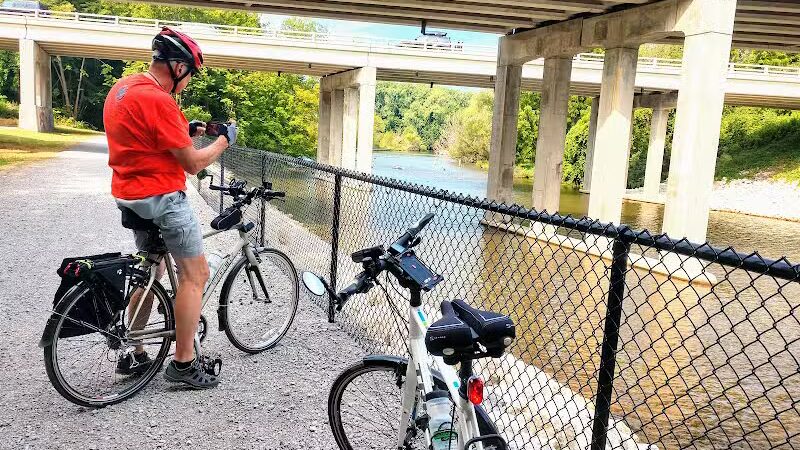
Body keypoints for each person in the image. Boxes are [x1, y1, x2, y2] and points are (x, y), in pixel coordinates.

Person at [103, 27, 236, 389]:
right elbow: (192, 165)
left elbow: (148, 139)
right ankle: (183, 363)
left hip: (130, 196)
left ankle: (135, 351)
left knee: (151, 271)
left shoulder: (124, 88)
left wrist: (187, 130)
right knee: (195, 276)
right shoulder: (160, 101)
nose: (190, 81)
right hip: (162, 198)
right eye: (190, 73)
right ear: (178, 67)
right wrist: (222, 141)